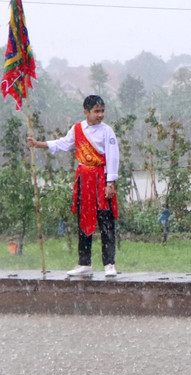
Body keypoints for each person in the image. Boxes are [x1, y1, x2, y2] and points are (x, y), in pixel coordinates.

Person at [27, 95, 119, 278]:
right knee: (84, 220)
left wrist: (110, 183)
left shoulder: (107, 131)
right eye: (96, 111)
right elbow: (63, 144)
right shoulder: (77, 129)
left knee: (105, 221)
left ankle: (109, 263)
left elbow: (113, 156)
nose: (100, 115)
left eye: (102, 111)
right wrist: (39, 144)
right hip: (84, 181)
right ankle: (84, 263)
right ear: (86, 112)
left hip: (101, 179)